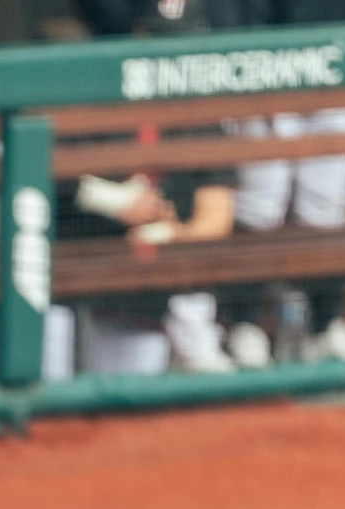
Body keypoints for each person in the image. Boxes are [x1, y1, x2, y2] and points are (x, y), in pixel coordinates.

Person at [63, 0, 239, 374]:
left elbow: (215, 219)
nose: (170, 58)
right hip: (101, 275)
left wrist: (169, 232)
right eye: (160, 43)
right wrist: (117, 203)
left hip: (174, 283)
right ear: (139, 38)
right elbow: (59, 179)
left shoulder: (204, 117)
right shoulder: (104, 102)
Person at [227, 0, 345, 366]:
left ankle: (325, 324)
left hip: (336, 75)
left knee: (327, 209)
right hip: (263, 77)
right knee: (258, 206)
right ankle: (245, 323)